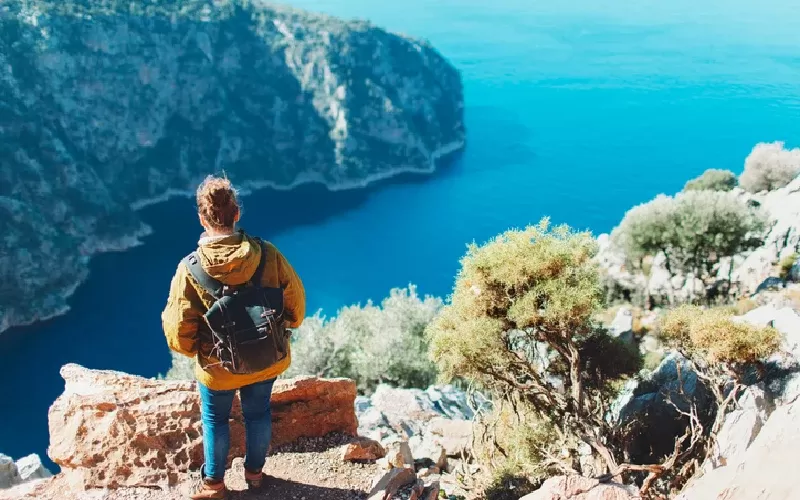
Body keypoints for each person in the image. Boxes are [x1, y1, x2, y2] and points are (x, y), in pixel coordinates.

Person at [162, 175, 305, 499]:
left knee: (215, 420)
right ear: (237, 213)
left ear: (202, 218)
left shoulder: (190, 269)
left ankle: (214, 484)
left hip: (218, 367)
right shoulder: (268, 254)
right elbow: (296, 304)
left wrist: (195, 351)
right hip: (266, 359)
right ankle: (255, 474)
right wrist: (286, 326)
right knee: (258, 414)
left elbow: (178, 332)